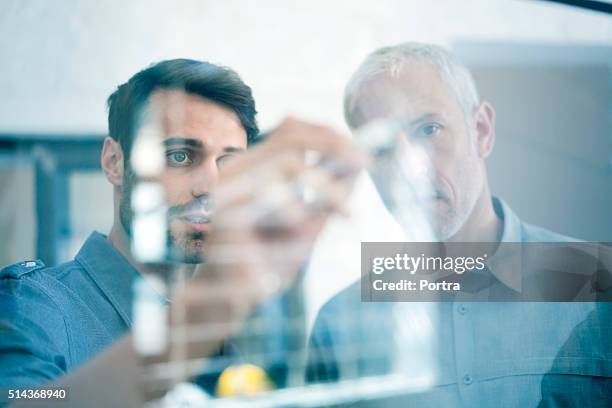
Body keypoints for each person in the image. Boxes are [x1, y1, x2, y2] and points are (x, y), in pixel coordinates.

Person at [0, 58, 366, 404]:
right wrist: (206, 310)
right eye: (179, 156)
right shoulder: (32, 307)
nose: (210, 186)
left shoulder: (237, 328)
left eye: (229, 161)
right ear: (114, 162)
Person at [306, 43, 612, 406]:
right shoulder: (338, 326)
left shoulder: (598, 284)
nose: (408, 169)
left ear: (481, 130)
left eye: (428, 129)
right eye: (381, 148)